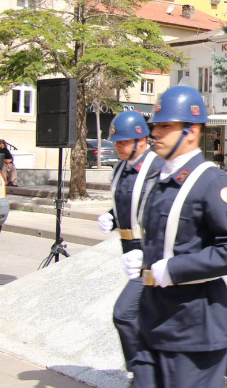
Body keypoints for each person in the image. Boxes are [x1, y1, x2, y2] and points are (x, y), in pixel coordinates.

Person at [124, 85, 227, 388]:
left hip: (192, 330)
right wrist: (141, 258)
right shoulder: (161, 180)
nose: (155, 132)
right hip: (154, 321)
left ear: (191, 131)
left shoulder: (211, 181)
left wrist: (174, 269)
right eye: (155, 125)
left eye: (166, 126)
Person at [96, 111, 163, 376]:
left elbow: (161, 212)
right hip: (130, 253)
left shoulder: (157, 168)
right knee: (148, 317)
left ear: (141, 140)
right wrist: (112, 217)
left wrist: (145, 253)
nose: (118, 147)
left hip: (152, 255)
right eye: (116, 142)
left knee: (124, 314)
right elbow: (130, 203)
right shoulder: (121, 169)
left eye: (122, 142)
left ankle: (142, 373)